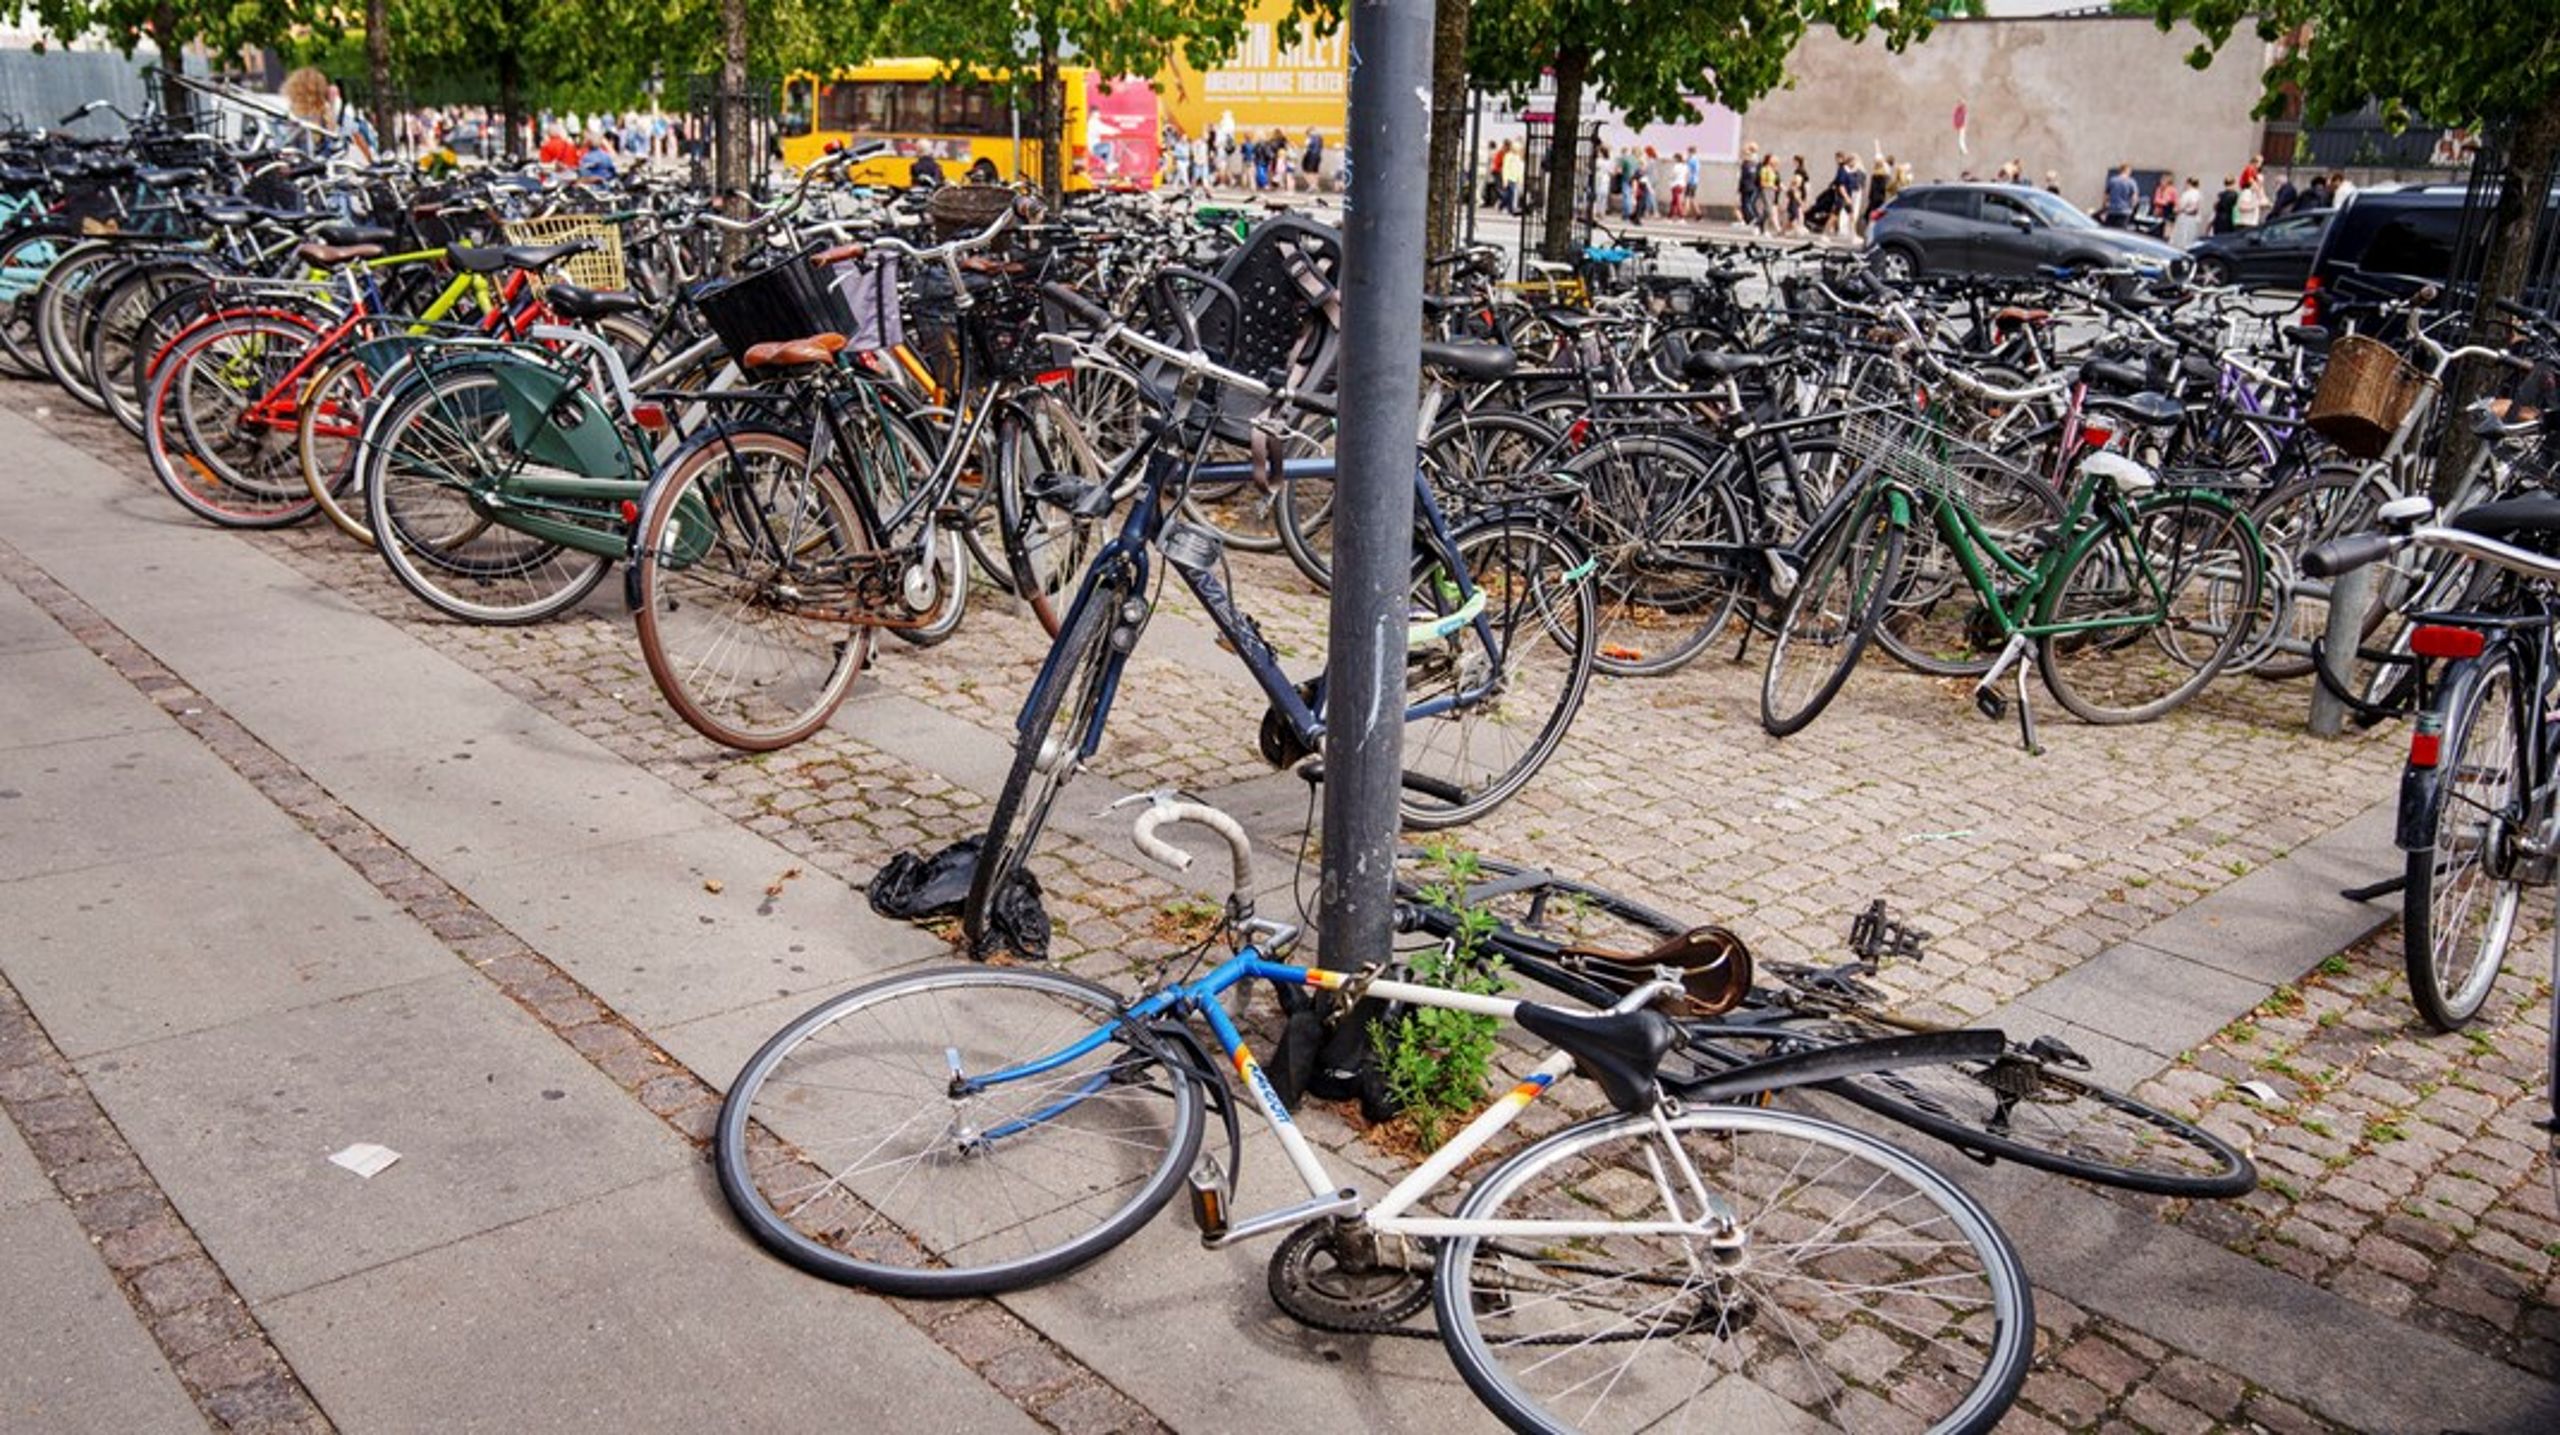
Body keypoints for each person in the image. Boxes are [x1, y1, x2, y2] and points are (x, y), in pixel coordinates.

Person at [1736, 141, 1763, 229]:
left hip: (1748, 185)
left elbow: (1745, 174)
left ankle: (1753, 219)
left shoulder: (1749, 161)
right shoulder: (1755, 160)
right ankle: (1748, 220)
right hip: (1751, 185)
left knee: (1747, 203)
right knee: (1747, 203)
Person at [2102, 162, 2137, 228]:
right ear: (2128, 171)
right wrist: (2132, 207)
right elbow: (2134, 198)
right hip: (2124, 211)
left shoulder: (2112, 180)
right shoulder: (2131, 182)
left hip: (2112, 210)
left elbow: (2106, 196)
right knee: (2120, 232)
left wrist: (2105, 208)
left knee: (2109, 231)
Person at [2173, 176, 2203, 246]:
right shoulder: (2199, 194)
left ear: (2188, 183)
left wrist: (2177, 210)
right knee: (2191, 237)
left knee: (2182, 238)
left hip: (2185, 218)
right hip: (2194, 219)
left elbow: (2182, 206)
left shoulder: (2187, 194)